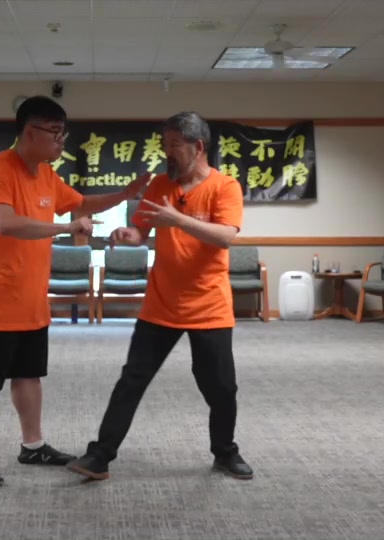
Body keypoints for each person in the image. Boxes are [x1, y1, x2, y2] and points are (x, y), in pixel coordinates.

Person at [0, 95, 149, 488]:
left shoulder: (47, 175)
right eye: (54, 132)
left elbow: (81, 202)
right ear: (30, 132)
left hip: (32, 298)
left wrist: (124, 194)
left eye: (64, 133)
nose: (61, 141)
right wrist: (66, 227)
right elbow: (7, 223)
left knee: (29, 376)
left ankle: (32, 445)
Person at [66, 111, 254, 481]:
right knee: (132, 379)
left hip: (209, 306)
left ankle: (225, 452)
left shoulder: (224, 187)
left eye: (174, 145)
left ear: (198, 147)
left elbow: (225, 236)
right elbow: (143, 231)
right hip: (161, 303)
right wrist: (129, 235)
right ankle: (100, 455)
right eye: (164, 144)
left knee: (220, 387)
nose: (167, 152)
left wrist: (178, 220)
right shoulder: (159, 186)